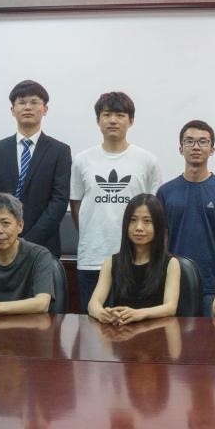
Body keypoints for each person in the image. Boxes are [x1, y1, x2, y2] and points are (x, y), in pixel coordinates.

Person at [70, 91, 162, 312]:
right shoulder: (82, 160)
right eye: (107, 114)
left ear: (131, 121)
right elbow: (76, 206)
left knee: (132, 323)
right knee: (92, 324)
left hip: (135, 259)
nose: (113, 120)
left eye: (120, 115)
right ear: (98, 120)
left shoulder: (147, 161)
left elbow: (155, 210)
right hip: (92, 256)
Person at [156, 120, 215, 316]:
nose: (196, 147)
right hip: (174, 283)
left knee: (212, 336)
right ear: (181, 148)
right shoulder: (165, 192)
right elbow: (161, 237)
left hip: (214, 283)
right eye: (189, 141)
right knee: (174, 335)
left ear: (212, 149)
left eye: (203, 141)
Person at [0, 79, 72, 257]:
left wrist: (26, 242)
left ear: (45, 109)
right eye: (21, 102)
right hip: (2, 244)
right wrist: (9, 236)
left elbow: (59, 201)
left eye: (34, 102)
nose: (28, 107)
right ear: (12, 110)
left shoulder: (60, 151)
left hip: (44, 246)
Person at [88, 194, 181, 325]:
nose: (139, 227)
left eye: (147, 221)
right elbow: (93, 303)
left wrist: (139, 314)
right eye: (133, 220)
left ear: (158, 226)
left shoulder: (171, 264)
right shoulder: (111, 262)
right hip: (121, 330)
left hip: (156, 331)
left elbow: (170, 307)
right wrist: (101, 313)